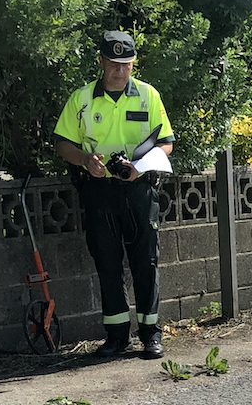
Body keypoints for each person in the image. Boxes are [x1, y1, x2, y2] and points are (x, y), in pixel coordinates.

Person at [51, 31, 175, 358]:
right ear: (101, 62)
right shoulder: (82, 99)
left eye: (126, 64)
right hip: (99, 190)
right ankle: (117, 336)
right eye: (113, 64)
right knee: (106, 263)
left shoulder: (149, 96)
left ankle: (151, 334)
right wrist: (83, 160)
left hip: (139, 189)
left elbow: (166, 141)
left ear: (133, 64)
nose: (119, 71)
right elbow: (63, 142)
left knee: (145, 262)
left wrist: (140, 166)